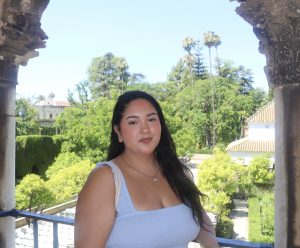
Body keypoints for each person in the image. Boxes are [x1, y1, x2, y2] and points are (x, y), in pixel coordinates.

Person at [75, 90, 219, 248]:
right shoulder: (105, 178)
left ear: (160, 125)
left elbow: (204, 225)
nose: (145, 129)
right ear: (118, 131)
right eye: (133, 122)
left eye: (151, 119)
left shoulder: (179, 172)